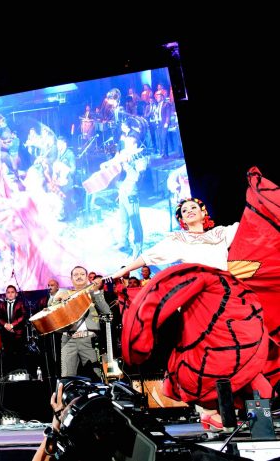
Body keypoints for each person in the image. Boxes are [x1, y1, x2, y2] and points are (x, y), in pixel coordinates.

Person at [103, 176, 279, 430]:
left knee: (242, 345)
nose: (189, 211)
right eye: (184, 210)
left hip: (228, 299)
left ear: (203, 212)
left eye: (193, 207)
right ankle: (214, 409)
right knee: (210, 355)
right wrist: (120, 273)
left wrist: (267, 204)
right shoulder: (178, 240)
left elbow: (253, 229)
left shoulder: (220, 234)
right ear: (181, 219)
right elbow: (147, 257)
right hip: (198, 306)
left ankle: (236, 408)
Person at [50, 266, 111, 380]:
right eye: (76, 275)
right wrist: (57, 300)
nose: (79, 277)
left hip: (89, 341)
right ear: (71, 279)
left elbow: (106, 312)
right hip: (68, 341)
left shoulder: (93, 293)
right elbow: (52, 315)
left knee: (96, 378)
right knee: (67, 379)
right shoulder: (64, 294)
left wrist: (96, 291)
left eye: (82, 274)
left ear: (87, 278)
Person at [0, 284, 27, 376]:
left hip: (18, 334)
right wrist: (6, 325)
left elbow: (23, 316)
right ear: (5, 294)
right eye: (8, 292)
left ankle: (21, 373)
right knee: (8, 354)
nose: (10, 294)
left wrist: (12, 325)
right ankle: (9, 374)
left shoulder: (20, 304)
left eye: (12, 292)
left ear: (16, 294)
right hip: (6, 334)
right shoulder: (2, 305)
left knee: (19, 354)